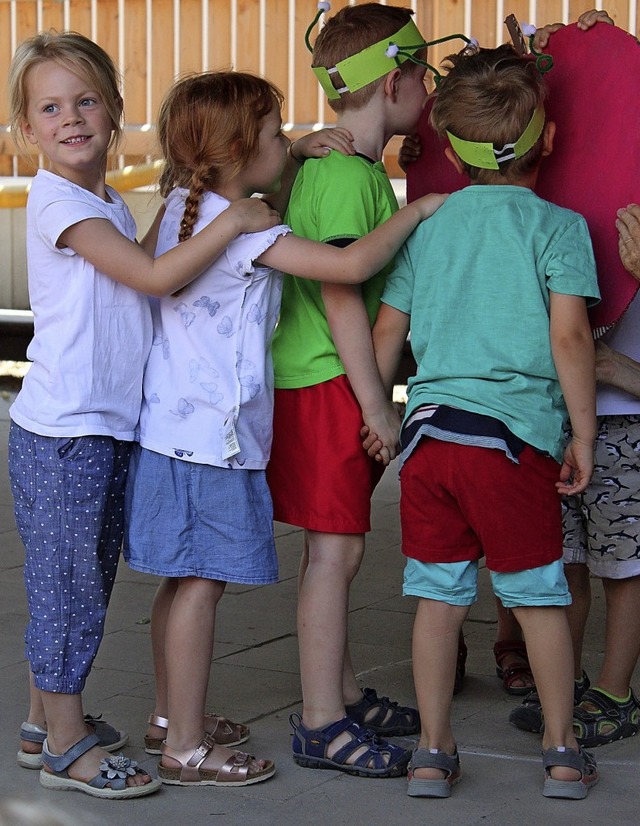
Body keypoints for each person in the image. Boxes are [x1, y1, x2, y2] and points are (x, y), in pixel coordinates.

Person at [123, 69, 447, 787]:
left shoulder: (186, 203)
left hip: (171, 435)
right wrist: (417, 210)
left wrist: (294, 149)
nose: (287, 141)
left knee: (179, 585)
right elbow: (349, 263)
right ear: (239, 155)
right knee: (203, 587)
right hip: (213, 443)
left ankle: (170, 717)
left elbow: (218, 195)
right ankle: (187, 751)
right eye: (274, 134)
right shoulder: (242, 228)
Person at [6, 31, 283, 799]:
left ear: (115, 110)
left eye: (86, 100)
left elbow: (157, 246)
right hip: (65, 434)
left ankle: (42, 724)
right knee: (69, 592)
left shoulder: (106, 200)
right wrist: (234, 219)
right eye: (51, 107)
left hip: (101, 429)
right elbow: (156, 277)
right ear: (27, 129)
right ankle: (66, 744)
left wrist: (197, 195)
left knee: (79, 581)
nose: (72, 118)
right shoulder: (59, 203)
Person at [368, 43, 602, 799]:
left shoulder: (425, 224)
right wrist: (584, 433)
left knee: (438, 598)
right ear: (551, 139)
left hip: (431, 441)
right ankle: (562, 748)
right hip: (511, 447)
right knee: (537, 596)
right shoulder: (559, 229)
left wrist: (379, 416)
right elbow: (570, 340)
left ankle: (433, 751)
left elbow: (386, 334)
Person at [266, 2, 431, 778]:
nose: (429, 88)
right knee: (336, 552)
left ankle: (343, 691)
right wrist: (375, 406)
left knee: (337, 549)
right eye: (426, 75)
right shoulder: (339, 176)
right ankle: (321, 722)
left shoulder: (347, 167)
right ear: (396, 82)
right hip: (330, 385)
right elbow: (340, 297)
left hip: (336, 382)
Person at [510, 9, 640, 747]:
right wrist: (582, 56)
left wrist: (623, 368)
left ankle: (616, 692)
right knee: (569, 560)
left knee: (623, 562)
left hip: (624, 416)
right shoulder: (574, 189)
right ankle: (573, 683)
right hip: (564, 408)